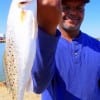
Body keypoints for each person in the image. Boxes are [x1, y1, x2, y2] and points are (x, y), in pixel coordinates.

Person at [32, 0, 100, 100]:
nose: (73, 13)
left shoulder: (97, 46)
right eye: (66, 8)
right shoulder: (43, 45)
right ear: (56, 9)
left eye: (79, 8)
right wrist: (46, 26)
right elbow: (38, 86)